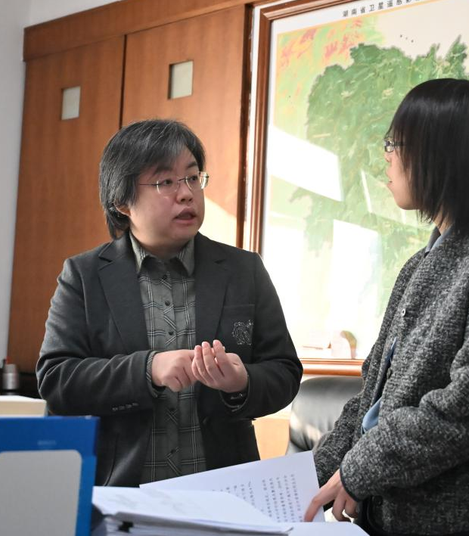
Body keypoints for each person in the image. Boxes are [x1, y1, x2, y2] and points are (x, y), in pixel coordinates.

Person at [305, 79, 469, 535]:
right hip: (403, 514)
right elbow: (372, 395)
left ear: (444, 155)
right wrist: (308, 479)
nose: (387, 156)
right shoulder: (420, 264)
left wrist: (359, 469)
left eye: (396, 143)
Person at [37, 119, 302, 486]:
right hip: (122, 492)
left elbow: (284, 371)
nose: (186, 193)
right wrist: (148, 369)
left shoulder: (244, 270)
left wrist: (242, 381)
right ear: (122, 202)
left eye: (193, 178)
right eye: (166, 182)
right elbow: (57, 378)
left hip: (224, 493)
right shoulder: (84, 276)